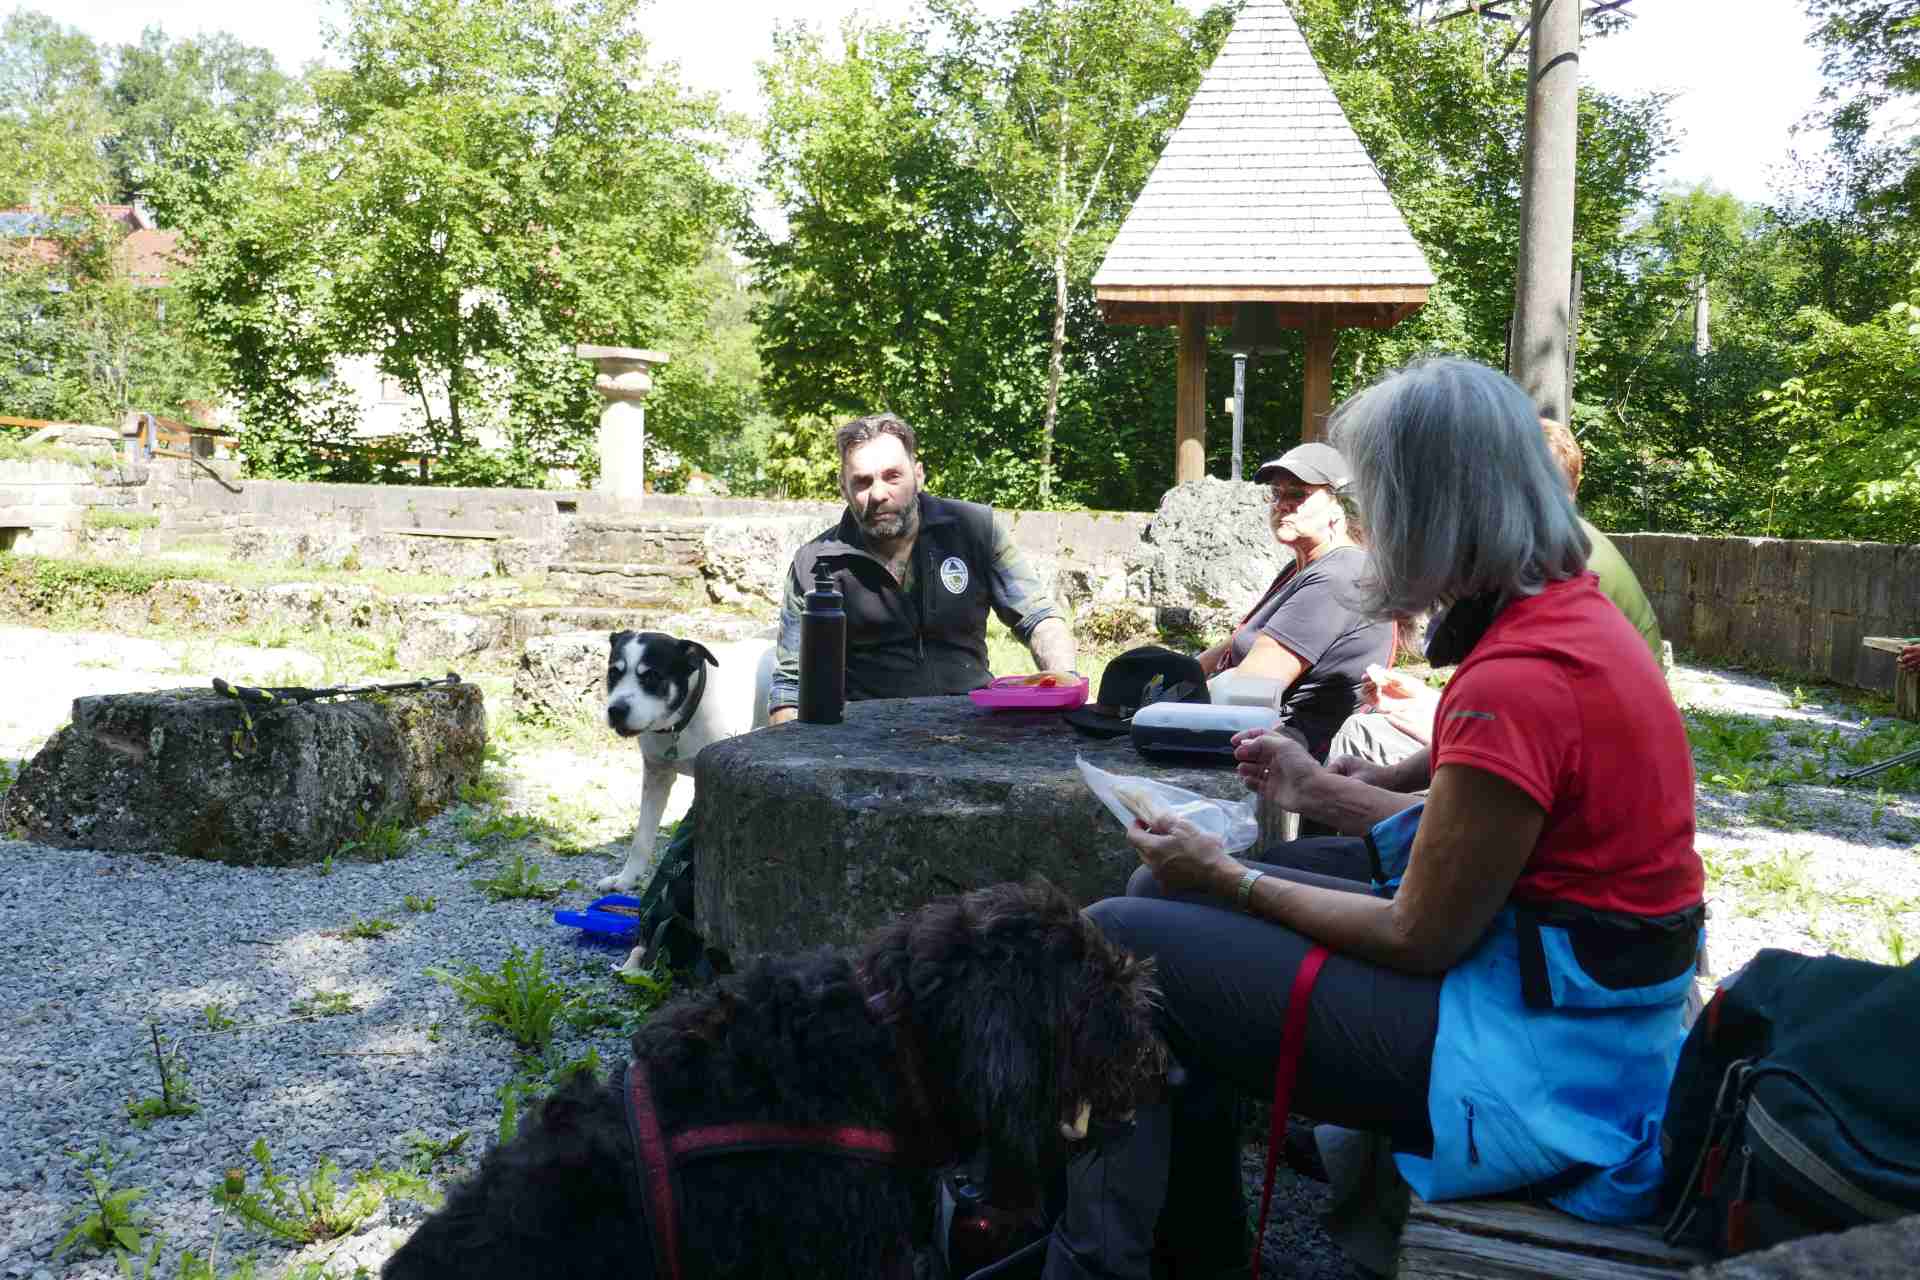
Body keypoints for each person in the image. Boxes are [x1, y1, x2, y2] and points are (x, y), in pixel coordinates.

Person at [1044, 358, 1705, 1280]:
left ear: (1432, 510)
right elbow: (1477, 844)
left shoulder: (1521, 675)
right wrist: (1301, 806)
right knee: (1157, 894)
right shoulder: (1567, 619)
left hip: (1547, 1067)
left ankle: (1101, 1263)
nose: (1373, 530)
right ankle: (1192, 1247)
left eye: (1381, 504)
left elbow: (1417, 935)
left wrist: (1231, 878)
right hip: (1576, 1008)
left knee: (1119, 941)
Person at [1317, 416, 1667, 776]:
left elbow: (1511, 727)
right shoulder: (1563, 546)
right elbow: (1511, 708)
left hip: (1598, 758)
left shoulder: (1557, 564)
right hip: (1588, 740)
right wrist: (1428, 704)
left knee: (1361, 735)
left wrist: (1341, 788)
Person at [767, 414, 1075, 722]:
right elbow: (789, 688)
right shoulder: (815, 564)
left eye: (893, 477)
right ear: (843, 489)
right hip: (865, 733)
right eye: (862, 482)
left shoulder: (975, 529)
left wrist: (1067, 685)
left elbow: (1039, 619)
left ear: (918, 476)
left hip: (973, 724)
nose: (878, 494)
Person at [1193, 442, 1393, 759]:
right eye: (1276, 494)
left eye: (1298, 494)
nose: (1282, 505)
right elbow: (1238, 642)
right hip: (1266, 739)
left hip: (1296, 756)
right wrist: (1180, 677)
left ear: (1340, 506)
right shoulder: (1302, 567)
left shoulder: (1339, 576)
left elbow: (1250, 688)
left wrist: (1172, 703)